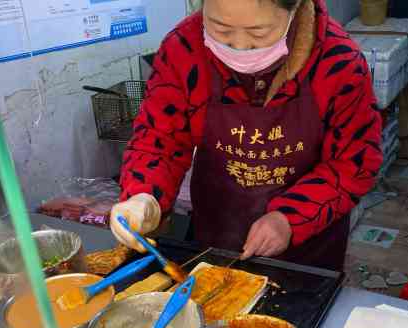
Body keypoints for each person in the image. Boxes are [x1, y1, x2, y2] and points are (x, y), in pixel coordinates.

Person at [111, 0, 382, 271]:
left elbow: (353, 165)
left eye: (259, 32)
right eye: (221, 28)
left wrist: (290, 218)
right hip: (217, 230)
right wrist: (144, 196)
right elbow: (159, 140)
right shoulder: (183, 49)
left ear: (294, 8)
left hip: (308, 251)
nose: (239, 46)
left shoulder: (339, 62)